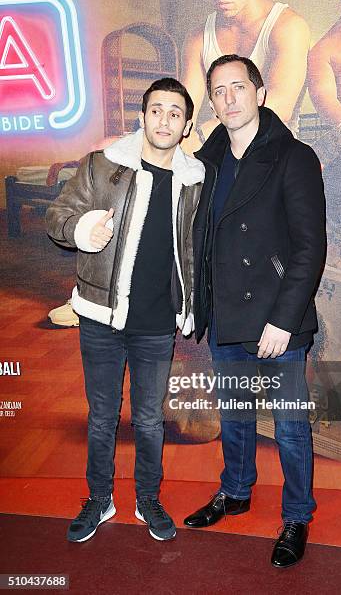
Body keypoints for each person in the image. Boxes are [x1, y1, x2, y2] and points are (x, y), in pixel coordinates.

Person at [46, 78, 205, 542]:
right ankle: (100, 498)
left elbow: (197, 249)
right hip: (100, 314)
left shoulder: (195, 180)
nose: (164, 120)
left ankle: (147, 498)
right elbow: (58, 216)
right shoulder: (103, 166)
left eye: (175, 113)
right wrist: (81, 229)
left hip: (157, 322)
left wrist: (192, 302)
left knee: (151, 419)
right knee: (101, 416)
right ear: (142, 116)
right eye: (156, 110)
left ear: (186, 125)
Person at [183, 54, 326, 568]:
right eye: (217, 90)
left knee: (289, 426)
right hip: (226, 315)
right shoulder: (208, 158)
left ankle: (297, 516)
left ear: (260, 92)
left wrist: (284, 321)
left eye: (238, 87)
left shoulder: (295, 156)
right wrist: (194, 303)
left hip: (277, 320)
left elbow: (311, 248)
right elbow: (197, 237)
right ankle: (237, 491)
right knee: (236, 415)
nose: (228, 98)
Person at [182, 0, 310, 149]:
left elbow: (280, 105)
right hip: (220, 153)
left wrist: (203, 135)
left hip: (272, 151)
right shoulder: (197, 38)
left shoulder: (288, 26)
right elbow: (183, 109)